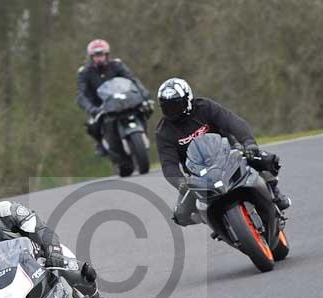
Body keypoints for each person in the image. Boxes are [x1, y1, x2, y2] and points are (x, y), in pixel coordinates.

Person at [154, 78, 291, 226]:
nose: (172, 111)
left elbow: (233, 122)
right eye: (166, 107)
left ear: (188, 99)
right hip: (197, 173)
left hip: (229, 154)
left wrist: (249, 143)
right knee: (181, 215)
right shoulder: (163, 131)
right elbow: (168, 164)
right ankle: (218, 224)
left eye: (175, 105)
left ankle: (275, 194)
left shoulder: (205, 107)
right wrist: (180, 182)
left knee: (263, 159)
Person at [76, 38, 152, 156]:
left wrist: (143, 92)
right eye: (96, 55)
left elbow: (131, 79)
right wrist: (91, 108)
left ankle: (144, 134)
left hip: (122, 100)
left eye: (101, 55)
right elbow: (81, 95)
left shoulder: (116, 65)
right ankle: (101, 144)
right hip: (99, 106)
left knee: (146, 108)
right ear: (91, 57)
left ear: (107, 55)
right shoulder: (84, 73)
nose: (99, 58)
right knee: (92, 126)